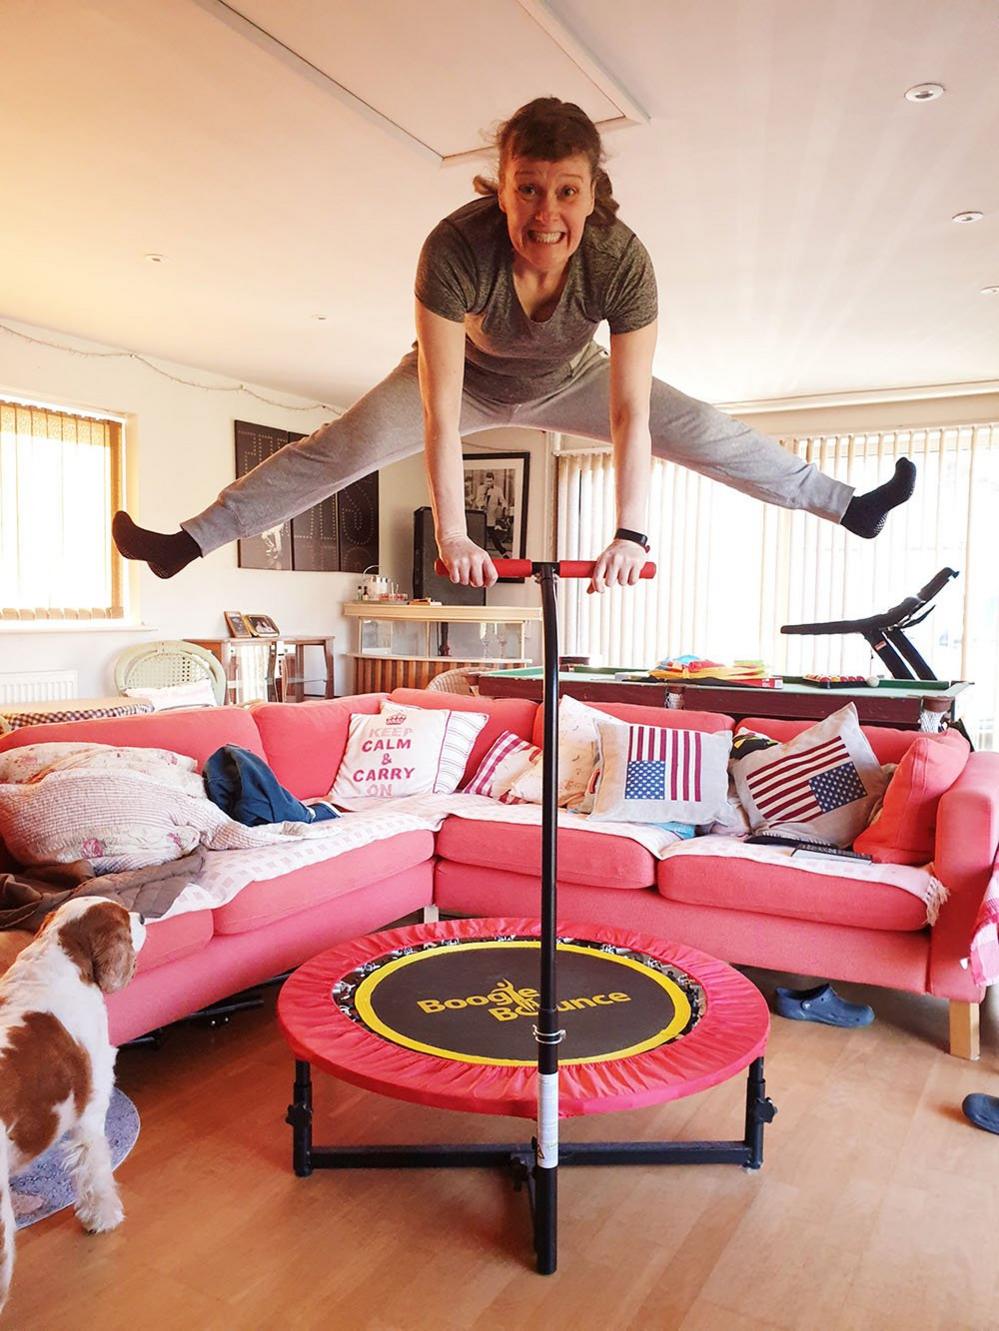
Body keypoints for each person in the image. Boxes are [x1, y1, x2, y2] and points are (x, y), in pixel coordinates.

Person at [112, 97, 916, 592]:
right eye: (526, 188)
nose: (544, 212)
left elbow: (632, 412)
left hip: (575, 379)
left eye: (565, 191)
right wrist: (454, 533)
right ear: (499, 186)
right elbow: (434, 415)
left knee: (702, 428)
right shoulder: (454, 248)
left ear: (591, 192)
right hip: (460, 379)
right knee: (343, 445)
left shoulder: (622, 259)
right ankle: (186, 544)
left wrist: (630, 532)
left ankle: (849, 508)